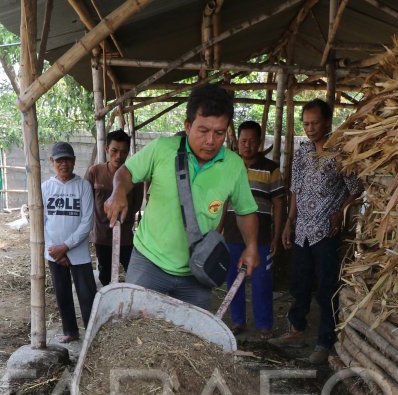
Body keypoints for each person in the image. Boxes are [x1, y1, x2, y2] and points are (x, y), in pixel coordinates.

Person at [106, 84, 261, 311]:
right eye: (203, 131)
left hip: (197, 270)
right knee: (134, 329)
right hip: (149, 262)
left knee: (194, 341)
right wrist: (118, 191)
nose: (210, 141)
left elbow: (245, 210)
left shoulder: (234, 166)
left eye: (219, 133)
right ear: (188, 126)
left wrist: (252, 246)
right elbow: (126, 173)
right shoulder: (162, 149)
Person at [277, 98, 362, 365]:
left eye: (314, 123)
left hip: (326, 231)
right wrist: (289, 222)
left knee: (326, 289)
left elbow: (355, 189)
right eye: (305, 123)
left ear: (327, 122)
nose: (310, 128)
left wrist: (341, 211)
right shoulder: (302, 152)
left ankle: (325, 342)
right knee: (299, 283)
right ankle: (296, 330)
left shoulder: (340, 153)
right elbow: (295, 190)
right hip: (302, 229)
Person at [222, 121, 285, 339]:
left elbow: (278, 203)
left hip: (262, 238)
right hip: (231, 234)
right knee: (232, 280)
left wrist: (277, 235)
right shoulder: (228, 166)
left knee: (261, 282)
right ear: (237, 142)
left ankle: (264, 325)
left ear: (260, 143)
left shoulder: (271, 169)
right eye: (243, 141)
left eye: (251, 141)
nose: (247, 145)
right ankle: (238, 321)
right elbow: (222, 202)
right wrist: (218, 231)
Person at [43, 141, 95, 343]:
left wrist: (65, 247)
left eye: (67, 160)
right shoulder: (46, 187)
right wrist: (54, 249)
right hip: (53, 251)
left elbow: (87, 221)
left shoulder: (83, 186)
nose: (63, 164)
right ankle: (70, 331)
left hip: (78, 251)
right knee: (62, 293)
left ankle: (92, 332)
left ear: (74, 161)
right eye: (59, 160)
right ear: (52, 162)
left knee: (87, 294)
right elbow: (41, 222)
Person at [85, 129, 142, 287]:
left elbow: (137, 203)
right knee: (105, 275)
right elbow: (87, 200)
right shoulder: (95, 172)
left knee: (133, 272)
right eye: (114, 151)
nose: (118, 156)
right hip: (102, 236)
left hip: (125, 236)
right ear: (106, 149)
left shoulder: (134, 175)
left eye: (123, 152)